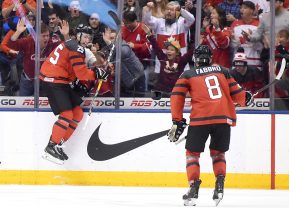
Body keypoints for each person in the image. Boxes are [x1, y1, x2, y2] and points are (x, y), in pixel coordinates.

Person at [167, 45, 253, 206]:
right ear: (210, 58)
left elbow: (176, 96)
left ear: (195, 59)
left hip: (200, 119)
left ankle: (193, 188)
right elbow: (239, 96)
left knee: (192, 153)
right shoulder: (223, 71)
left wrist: (177, 121)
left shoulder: (188, 74)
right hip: (223, 119)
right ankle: (219, 184)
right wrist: (246, 97)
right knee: (218, 153)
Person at [39, 29, 109, 165]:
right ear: (78, 36)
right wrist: (96, 74)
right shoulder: (76, 48)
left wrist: (98, 71)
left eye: (89, 37)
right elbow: (82, 74)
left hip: (61, 80)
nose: (87, 40)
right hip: (52, 80)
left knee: (77, 114)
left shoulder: (73, 45)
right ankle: (51, 146)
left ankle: (58, 144)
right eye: (85, 36)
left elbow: (77, 70)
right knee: (67, 114)